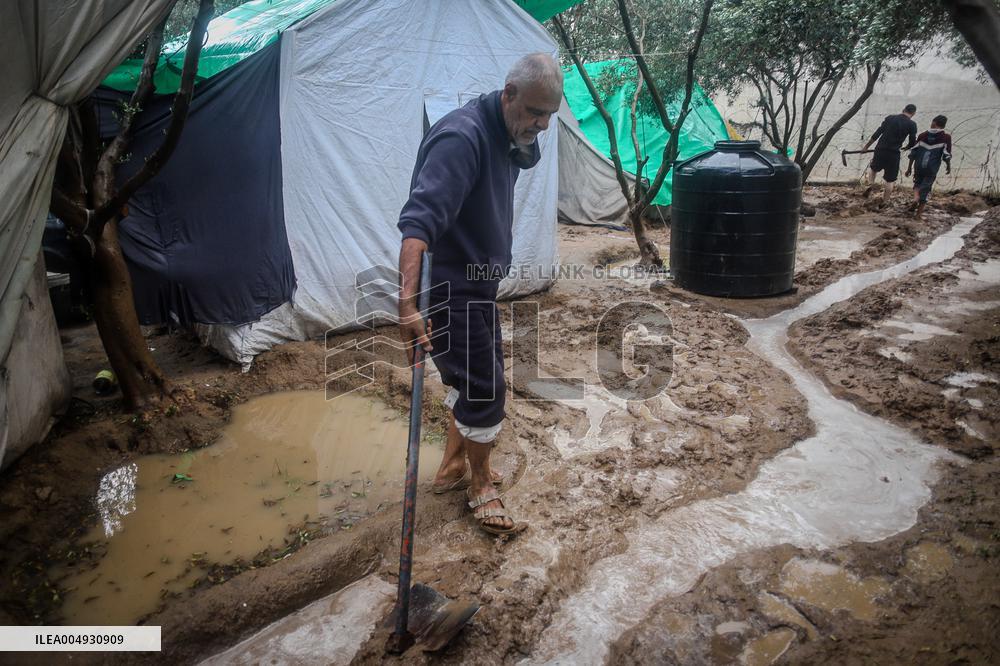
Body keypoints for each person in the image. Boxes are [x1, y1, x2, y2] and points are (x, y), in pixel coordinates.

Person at [396, 54, 562, 536]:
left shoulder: (506, 132)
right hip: (451, 292)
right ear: (508, 93)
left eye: (549, 114)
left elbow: (523, 149)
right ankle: (481, 485)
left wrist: (525, 132)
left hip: (478, 287)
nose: (542, 124)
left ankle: (451, 469)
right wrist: (406, 304)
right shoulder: (461, 138)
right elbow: (417, 225)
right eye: (534, 111)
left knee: (467, 383)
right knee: (486, 390)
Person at [861, 104, 918, 206]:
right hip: (894, 153)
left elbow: (877, 133)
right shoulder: (912, 124)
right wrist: (907, 147)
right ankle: (885, 202)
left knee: (873, 169)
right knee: (890, 179)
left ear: (903, 109)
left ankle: (870, 185)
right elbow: (913, 141)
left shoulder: (890, 118)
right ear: (913, 113)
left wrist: (866, 147)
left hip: (880, 149)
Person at [905, 115, 952, 218]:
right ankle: (918, 214)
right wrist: (948, 166)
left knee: (917, 184)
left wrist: (909, 168)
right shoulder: (946, 137)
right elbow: (946, 154)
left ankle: (915, 199)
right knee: (926, 189)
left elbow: (913, 152)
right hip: (932, 168)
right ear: (943, 125)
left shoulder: (922, 135)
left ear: (933, 123)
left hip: (918, 166)